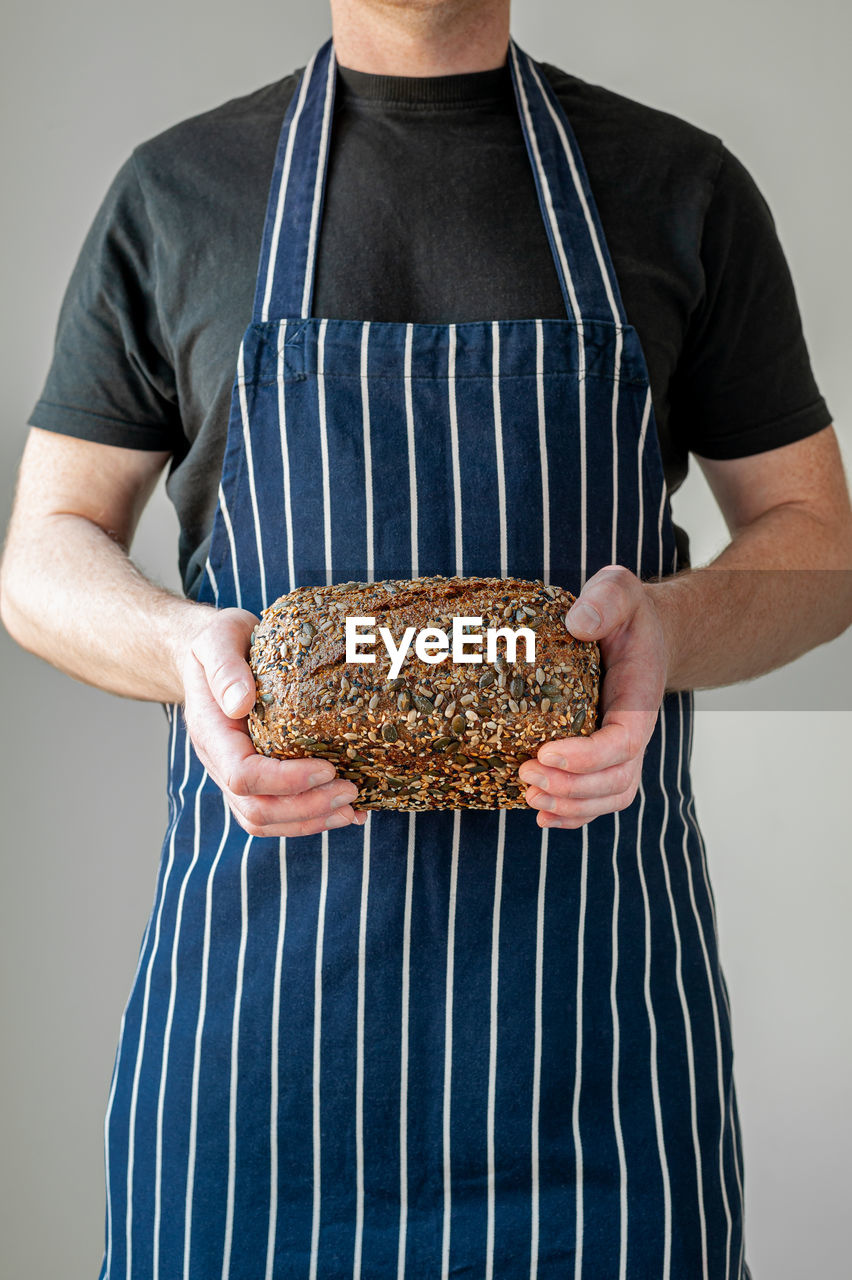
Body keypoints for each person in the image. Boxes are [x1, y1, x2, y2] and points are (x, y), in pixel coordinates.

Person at [2, 0, 851, 1275]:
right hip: (254, 1070)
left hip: (593, 1067)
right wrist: (185, 650)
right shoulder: (177, 195)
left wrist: (667, 623)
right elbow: (43, 551)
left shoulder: (680, 188)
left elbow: (818, 544)